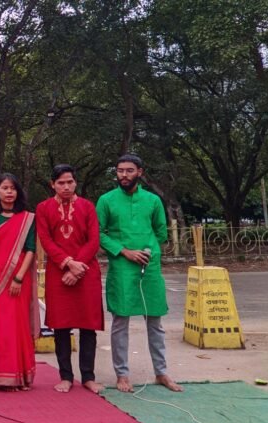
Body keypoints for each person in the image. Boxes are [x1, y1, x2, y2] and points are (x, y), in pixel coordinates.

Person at [96, 154, 183, 393]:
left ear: (140, 172)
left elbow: (161, 232)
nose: (124, 175)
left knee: (155, 320)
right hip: (122, 267)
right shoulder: (106, 200)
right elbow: (99, 233)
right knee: (120, 321)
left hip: (149, 265)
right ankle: (122, 375)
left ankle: (161, 372)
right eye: (120, 171)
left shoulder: (153, 200)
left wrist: (147, 249)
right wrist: (124, 251)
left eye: (129, 170)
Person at [36, 165, 104, 394]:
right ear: (52, 184)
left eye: (70, 182)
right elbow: (46, 240)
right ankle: (65, 376)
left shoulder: (87, 206)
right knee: (61, 327)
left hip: (86, 271)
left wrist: (76, 268)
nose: (66, 187)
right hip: (58, 272)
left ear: (75, 182)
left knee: (88, 326)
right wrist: (67, 263)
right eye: (61, 183)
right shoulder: (43, 208)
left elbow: (94, 240)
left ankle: (88, 377)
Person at [0, 173, 39, 391]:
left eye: (13, 188)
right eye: (5, 188)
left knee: (18, 324)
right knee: (0, 325)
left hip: (19, 276)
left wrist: (19, 277)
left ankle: (21, 375)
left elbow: (31, 249)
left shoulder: (27, 217)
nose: (9, 192)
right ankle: (2, 377)